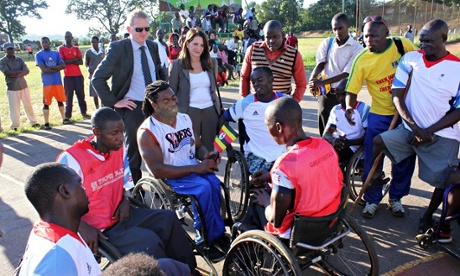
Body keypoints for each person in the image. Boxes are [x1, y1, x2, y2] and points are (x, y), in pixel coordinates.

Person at [57, 107, 196, 275]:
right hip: (100, 228)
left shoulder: (118, 148)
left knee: (168, 219)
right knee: (149, 242)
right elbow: (56, 203)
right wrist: (81, 226)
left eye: (122, 131)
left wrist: (124, 199)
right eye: (114, 133)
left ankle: (186, 270)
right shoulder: (72, 159)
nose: (121, 137)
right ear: (97, 132)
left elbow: (121, 181)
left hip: (122, 214)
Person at [370, 19, 460, 241]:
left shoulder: (457, 68)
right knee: (378, 142)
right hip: (411, 128)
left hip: (442, 134)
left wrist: (427, 131)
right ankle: (378, 179)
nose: (423, 45)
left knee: (445, 181)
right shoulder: (410, 59)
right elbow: (397, 96)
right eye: (421, 40)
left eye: (428, 41)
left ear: (444, 39)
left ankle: (428, 216)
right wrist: (414, 127)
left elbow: (459, 110)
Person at [137, 81, 229, 262]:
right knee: (203, 188)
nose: (173, 103)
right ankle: (204, 239)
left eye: (173, 98)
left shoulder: (185, 119)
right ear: (154, 105)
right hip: (171, 176)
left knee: (214, 184)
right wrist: (196, 167)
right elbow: (157, 170)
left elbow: (199, 147)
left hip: (193, 168)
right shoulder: (147, 132)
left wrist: (206, 155)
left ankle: (216, 234)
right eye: (166, 101)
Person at [344, 15, 418, 219]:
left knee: (404, 157)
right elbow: (351, 90)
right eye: (366, 36)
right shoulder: (362, 59)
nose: (369, 41)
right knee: (372, 157)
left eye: (374, 36)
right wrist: (350, 108)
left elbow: (421, 68)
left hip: (405, 113)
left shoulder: (403, 45)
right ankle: (372, 199)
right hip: (380, 114)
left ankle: (396, 198)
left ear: (386, 33)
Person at [245, 97, 343, 237]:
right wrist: (271, 177)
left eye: (268, 125)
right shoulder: (325, 146)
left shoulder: (285, 164)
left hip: (301, 231)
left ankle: (250, 253)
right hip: (332, 219)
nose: (268, 130)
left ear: (278, 127)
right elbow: (311, 174)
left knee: (256, 203)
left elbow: (275, 220)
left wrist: (266, 201)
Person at [92, 9, 166, 184]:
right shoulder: (119, 48)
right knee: (134, 152)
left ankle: (163, 188)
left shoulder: (153, 46)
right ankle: (134, 193)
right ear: (129, 28)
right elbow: (97, 79)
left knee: (160, 148)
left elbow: (158, 71)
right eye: (138, 29)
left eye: (147, 29)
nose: (143, 33)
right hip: (133, 108)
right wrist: (116, 102)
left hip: (155, 107)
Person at [17, 163, 101, 275]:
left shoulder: (59, 228)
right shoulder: (56, 260)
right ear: (65, 191)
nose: (85, 188)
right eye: (79, 183)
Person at [221, 67, 286, 175]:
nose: (256, 84)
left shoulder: (285, 101)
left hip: (283, 154)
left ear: (271, 79)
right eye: (253, 82)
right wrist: (228, 149)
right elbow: (222, 119)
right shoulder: (245, 104)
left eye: (260, 80)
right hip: (256, 156)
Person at [309, 13, 364, 136]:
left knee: (343, 126)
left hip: (345, 94)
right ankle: (325, 152)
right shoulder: (327, 43)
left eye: (340, 28)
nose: (337, 32)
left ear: (348, 26)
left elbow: (346, 73)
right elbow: (320, 64)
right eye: (335, 29)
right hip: (326, 93)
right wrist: (312, 81)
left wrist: (321, 82)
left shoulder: (357, 48)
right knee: (325, 127)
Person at [168, 27, 221, 152]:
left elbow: (213, 89)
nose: (199, 48)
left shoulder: (211, 63)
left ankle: (208, 172)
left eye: (202, 45)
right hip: (188, 113)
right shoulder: (177, 65)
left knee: (208, 151)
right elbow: (171, 93)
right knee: (188, 150)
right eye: (195, 44)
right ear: (187, 43)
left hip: (210, 112)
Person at [240, 20, 306, 102]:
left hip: (281, 107)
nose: (271, 41)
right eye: (268, 37)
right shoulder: (253, 50)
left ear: (282, 34)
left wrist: (293, 102)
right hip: (256, 105)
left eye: (275, 37)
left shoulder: (294, 55)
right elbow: (244, 77)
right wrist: (245, 101)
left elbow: (301, 84)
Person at [323, 78, 370, 164]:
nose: (340, 98)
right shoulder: (335, 110)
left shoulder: (362, 109)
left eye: (344, 94)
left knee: (334, 156)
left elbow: (368, 136)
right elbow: (326, 133)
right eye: (337, 94)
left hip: (355, 148)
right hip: (340, 144)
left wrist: (349, 143)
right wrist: (334, 140)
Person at [0, 43, 40, 131]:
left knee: (28, 105)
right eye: (8, 49)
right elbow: (7, 72)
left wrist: (17, 74)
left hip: (23, 85)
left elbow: (27, 70)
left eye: (12, 49)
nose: (11, 51)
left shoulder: (19, 59)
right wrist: (20, 72)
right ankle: (15, 125)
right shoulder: (2, 61)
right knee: (14, 107)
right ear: (5, 50)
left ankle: (33, 122)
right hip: (12, 87)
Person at [35, 36, 67, 130]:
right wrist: (56, 67)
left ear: (49, 42)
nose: (45, 44)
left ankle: (64, 119)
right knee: (46, 103)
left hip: (57, 81)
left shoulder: (55, 53)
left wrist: (51, 68)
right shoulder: (39, 55)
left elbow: (63, 65)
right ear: (41, 44)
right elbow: (44, 70)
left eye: (46, 42)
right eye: (43, 42)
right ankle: (47, 123)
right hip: (47, 83)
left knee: (60, 100)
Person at [59, 31, 89, 122]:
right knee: (69, 96)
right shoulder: (61, 49)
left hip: (78, 76)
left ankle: (84, 112)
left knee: (81, 95)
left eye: (69, 37)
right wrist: (74, 60)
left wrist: (69, 60)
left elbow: (80, 62)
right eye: (66, 37)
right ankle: (68, 116)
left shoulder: (76, 48)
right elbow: (62, 62)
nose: (67, 38)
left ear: (72, 38)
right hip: (68, 76)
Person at [84, 36, 105, 109]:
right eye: (91, 42)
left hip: (102, 74)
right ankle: (97, 108)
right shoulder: (89, 52)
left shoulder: (102, 51)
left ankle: (103, 107)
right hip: (92, 74)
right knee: (94, 93)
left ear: (98, 42)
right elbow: (86, 63)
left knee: (102, 92)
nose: (93, 44)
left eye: (94, 42)